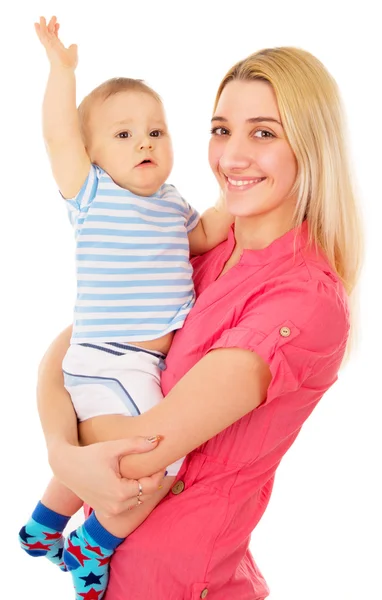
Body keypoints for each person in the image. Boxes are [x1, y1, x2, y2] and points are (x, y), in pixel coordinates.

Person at [34, 43, 362, 600]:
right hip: (116, 577)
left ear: (310, 147)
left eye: (263, 133)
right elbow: (71, 344)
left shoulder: (302, 302)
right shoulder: (199, 246)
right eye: (220, 129)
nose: (231, 157)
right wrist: (65, 456)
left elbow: (148, 448)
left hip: (181, 585)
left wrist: (65, 454)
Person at [18, 15, 233, 600]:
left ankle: (41, 527)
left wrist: (235, 193)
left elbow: (207, 234)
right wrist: (62, 72)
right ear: (92, 155)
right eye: (123, 134)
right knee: (159, 462)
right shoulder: (92, 193)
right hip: (108, 358)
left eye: (156, 132)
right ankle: (93, 543)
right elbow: (58, 136)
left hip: (131, 363)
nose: (144, 142)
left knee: (102, 450)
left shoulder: (172, 204)